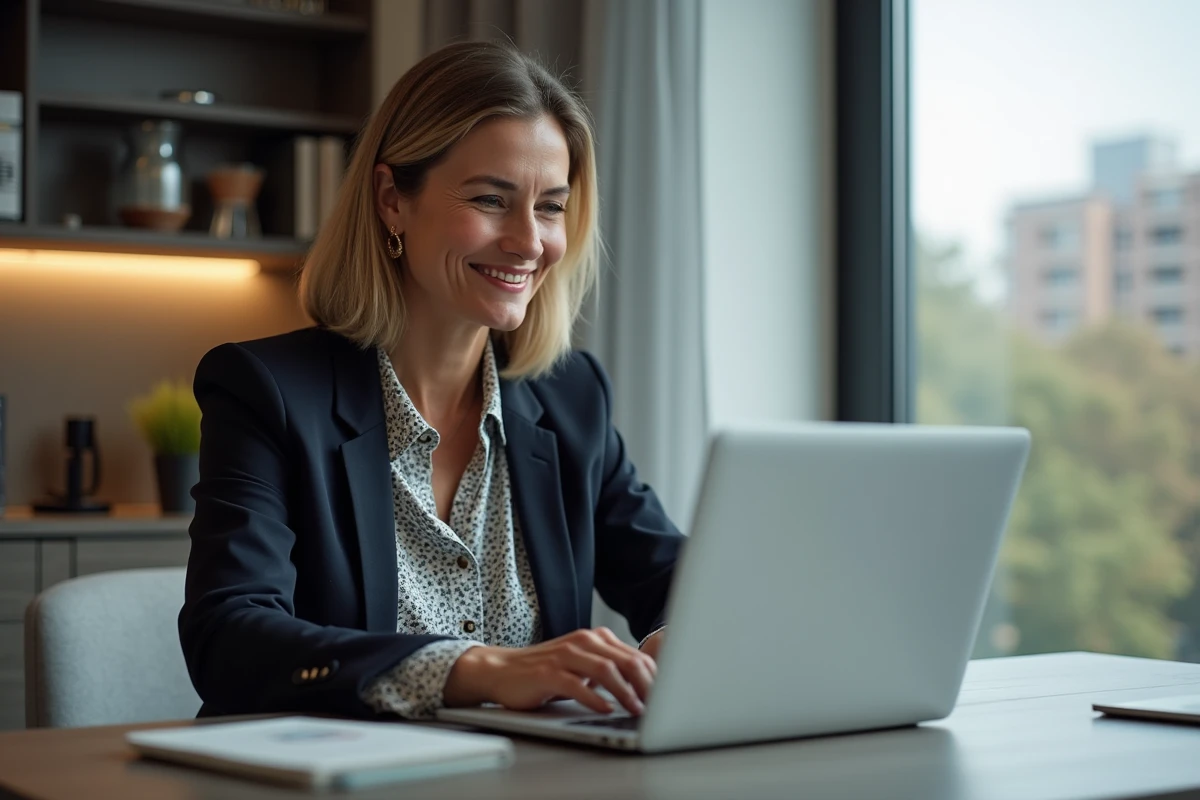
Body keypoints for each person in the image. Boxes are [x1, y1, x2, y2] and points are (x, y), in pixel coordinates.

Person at [178, 41, 686, 722]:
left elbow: (677, 576)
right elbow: (228, 637)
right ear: (393, 200)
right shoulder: (266, 391)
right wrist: (478, 670)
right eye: (490, 199)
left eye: (550, 207)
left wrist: (683, 636)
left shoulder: (570, 399)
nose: (529, 242)